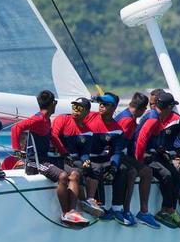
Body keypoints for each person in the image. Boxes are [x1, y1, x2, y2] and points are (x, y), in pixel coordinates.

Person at [9, 90, 87, 225]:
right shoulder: (38, 119)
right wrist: (16, 150)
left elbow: (52, 136)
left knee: (74, 174)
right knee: (63, 176)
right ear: (53, 104)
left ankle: (72, 211)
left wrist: (64, 153)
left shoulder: (46, 119)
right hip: (35, 162)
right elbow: (16, 128)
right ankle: (65, 213)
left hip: (46, 159)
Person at [135, 91, 180, 228]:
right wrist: (139, 160)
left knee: (176, 175)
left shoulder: (158, 117)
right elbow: (141, 140)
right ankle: (166, 210)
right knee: (166, 175)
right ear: (168, 107)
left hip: (154, 154)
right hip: (143, 156)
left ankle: (169, 208)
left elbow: (153, 140)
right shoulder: (152, 118)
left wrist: (160, 150)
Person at [52, 97, 104, 217]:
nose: (75, 110)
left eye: (79, 108)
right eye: (74, 107)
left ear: (86, 112)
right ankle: (81, 201)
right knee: (77, 172)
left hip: (74, 159)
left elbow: (85, 153)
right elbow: (54, 136)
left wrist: (86, 161)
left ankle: (91, 200)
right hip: (60, 158)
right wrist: (64, 153)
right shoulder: (62, 119)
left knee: (94, 168)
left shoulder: (88, 132)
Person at [114, 91, 157, 228]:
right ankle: (126, 211)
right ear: (143, 109)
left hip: (121, 153)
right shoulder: (127, 120)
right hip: (116, 154)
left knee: (144, 171)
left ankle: (140, 212)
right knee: (133, 172)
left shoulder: (129, 117)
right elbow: (119, 144)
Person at [85, 93, 128, 221]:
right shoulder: (88, 117)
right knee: (97, 168)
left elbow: (117, 152)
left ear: (114, 108)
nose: (102, 106)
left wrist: (114, 167)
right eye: (101, 104)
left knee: (122, 169)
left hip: (103, 159)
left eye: (106, 104)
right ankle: (99, 205)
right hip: (87, 157)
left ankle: (116, 208)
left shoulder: (117, 130)